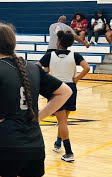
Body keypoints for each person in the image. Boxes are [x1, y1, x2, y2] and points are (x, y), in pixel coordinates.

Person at [0, 23, 72, 177]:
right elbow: (65, 91)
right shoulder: (33, 69)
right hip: (34, 145)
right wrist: (39, 117)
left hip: (4, 145)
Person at [37, 31, 90, 162]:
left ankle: (69, 152)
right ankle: (58, 142)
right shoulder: (75, 55)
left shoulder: (49, 55)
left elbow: (37, 69)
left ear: (58, 42)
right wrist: (76, 78)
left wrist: (47, 73)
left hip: (57, 89)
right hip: (70, 88)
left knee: (62, 121)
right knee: (63, 121)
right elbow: (87, 68)